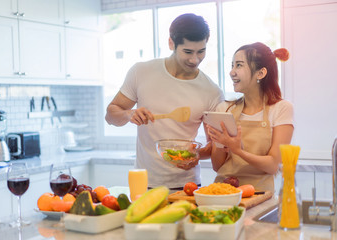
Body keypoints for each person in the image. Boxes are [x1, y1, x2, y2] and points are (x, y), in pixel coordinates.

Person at [105, 13, 224, 190]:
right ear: (171, 43)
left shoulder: (211, 91)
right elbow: (110, 116)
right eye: (188, 52)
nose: (195, 59)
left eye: (201, 51)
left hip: (187, 186)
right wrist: (128, 114)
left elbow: (215, 146)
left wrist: (195, 155)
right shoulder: (141, 72)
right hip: (144, 183)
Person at [207, 42, 293, 193]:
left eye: (239, 65)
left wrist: (238, 151)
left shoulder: (281, 109)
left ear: (261, 73)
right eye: (232, 65)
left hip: (260, 196)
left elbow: (273, 165)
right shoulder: (224, 109)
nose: (231, 72)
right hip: (223, 193)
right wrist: (220, 145)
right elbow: (217, 166)